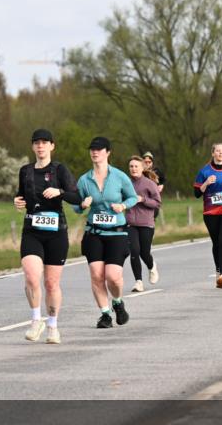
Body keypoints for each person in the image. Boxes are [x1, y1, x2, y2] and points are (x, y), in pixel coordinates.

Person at [13, 129, 80, 343]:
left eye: (45, 143)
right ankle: (35, 320)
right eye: (36, 143)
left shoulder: (60, 170)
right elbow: (20, 194)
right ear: (33, 147)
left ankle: (52, 325)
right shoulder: (25, 171)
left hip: (56, 232)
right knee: (32, 276)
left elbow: (77, 197)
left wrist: (59, 192)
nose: (40, 146)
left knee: (51, 283)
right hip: (32, 230)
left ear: (52, 146)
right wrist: (18, 201)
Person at [74, 137, 138, 328]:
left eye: (100, 149)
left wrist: (122, 205)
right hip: (94, 232)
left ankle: (117, 302)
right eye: (92, 149)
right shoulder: (84, 180)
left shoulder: (119, 176)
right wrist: (82, 205)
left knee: (113, 277)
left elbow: (133, 197)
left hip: (117, 233)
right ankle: (104, 314)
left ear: (108, 152)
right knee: (96, 274)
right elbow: (76, 207)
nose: (95, 152)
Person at [194, 143, 222, 288]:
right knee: (216, 243)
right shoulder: (204, 171)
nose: (220, 153)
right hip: (210, 212)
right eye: (218, 151)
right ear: (213, 153)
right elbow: (197, 193)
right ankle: (218, 270)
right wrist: (206, 183)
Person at [125, 156, 161, 293]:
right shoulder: (125, 183)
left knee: (144, 252)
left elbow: (157, 203)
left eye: (136, 166)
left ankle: (152, 267)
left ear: (142, 168)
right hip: (130, 223)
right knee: (134, 251)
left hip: (146, 223)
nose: (133, 169)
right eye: (131, 166)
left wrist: (142, 199)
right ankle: (138, 282)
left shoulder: (149, 184)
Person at [142, 152, 166, 220]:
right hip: (143, 197)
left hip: (154, 197)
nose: (147, 164)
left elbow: (163, 179)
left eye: (149, 162)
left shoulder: (156, 171)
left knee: (152, 217)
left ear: (152, 162)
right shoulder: (140, 171)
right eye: (145, 162)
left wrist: (161, 185)